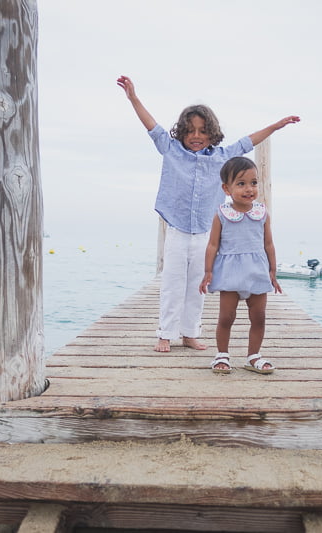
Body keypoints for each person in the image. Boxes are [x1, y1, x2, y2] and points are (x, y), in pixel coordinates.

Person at [117, 75, 298, 353]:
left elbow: (248, 142)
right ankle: (165, 333)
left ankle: (189, 333)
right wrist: (133, 98)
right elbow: (152, 127)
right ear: (182, 133)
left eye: (202, 131)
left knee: (197, 286)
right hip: (177, 230)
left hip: (205, 233)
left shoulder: (222, 156)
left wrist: (275, 126)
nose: (196, 136)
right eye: (190, 131)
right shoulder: (171, 149)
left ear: (212, 133)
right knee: (172, 283)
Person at [199, 157, 281, 374]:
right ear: (227, 188)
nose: (249, 189)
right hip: (230, 273)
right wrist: (208, 271)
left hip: (257, 271)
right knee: (226, 316)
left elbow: (269, 244)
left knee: (259, 316)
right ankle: (222, 355)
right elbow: (212, 245)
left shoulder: (262, 213)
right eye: (241, 183)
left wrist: (273, 270)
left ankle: (253, 356)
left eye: (253, 183)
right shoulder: (222, 215)